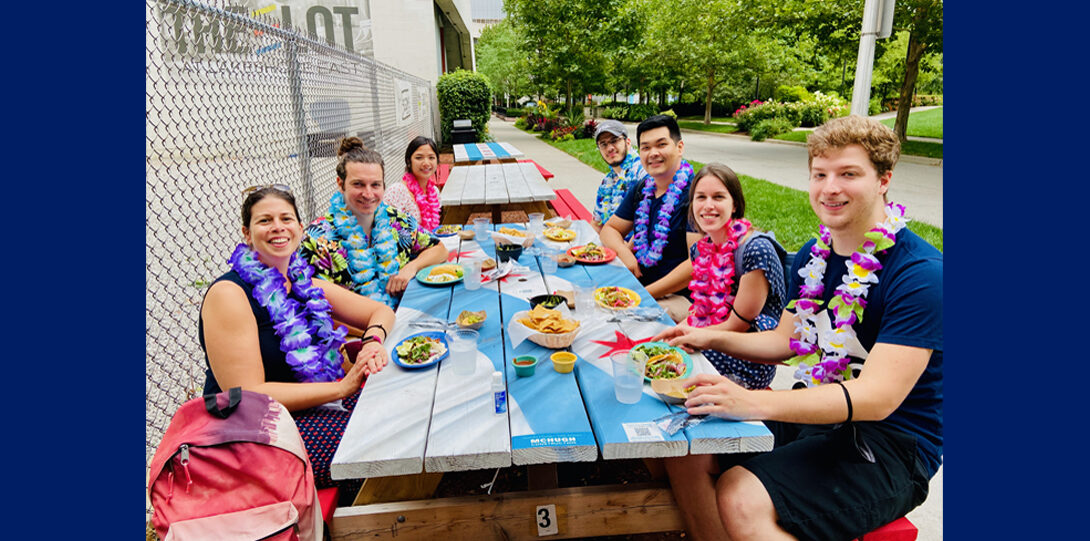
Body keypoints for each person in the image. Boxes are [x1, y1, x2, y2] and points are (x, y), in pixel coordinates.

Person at [653, 115, 942, 541]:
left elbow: (877, 398)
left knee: (740, 494)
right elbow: (786, 340)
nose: (830, 188)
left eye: (849, 173)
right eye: (819, 174)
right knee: (689, 447)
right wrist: (706, 335)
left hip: (892, 444)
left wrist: (752, 402)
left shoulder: (922, 275)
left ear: (884, 179)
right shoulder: (815, 254)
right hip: (820, 416)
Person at [199, 185, 396, 489]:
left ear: (300, 228)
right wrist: (340, 389)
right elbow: (247, 394)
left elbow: (380, 312)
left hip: (314, 406)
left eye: (286, 218)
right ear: (247, 233)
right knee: (370, 445)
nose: (278, 227)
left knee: (395, 409)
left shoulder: (302, 281)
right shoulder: (229, 295)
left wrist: (372, 342)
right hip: (255, 431)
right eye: (265, 221)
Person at [299, 137, 448, 308]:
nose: (368, 194)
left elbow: (440, 249)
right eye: (358, 184)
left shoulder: (396, 221)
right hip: (356, 332)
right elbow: (317, 308)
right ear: (341, 184)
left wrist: (411, 268)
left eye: (375, 185)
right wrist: (379, 324)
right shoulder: (317, 240)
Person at [680, 162, 787, 390]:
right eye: (701, 197)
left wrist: (687, 336)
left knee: (674, 375)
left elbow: (737, 324)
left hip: (748, 360)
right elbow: (701, 310)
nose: (708, 206)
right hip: (713, 339)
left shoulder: (755, 250)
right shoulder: (701, 249)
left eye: (718, 197)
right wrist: (677, 333)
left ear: (735, 205)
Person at [600, 114, 700, 322]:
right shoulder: (643, 188)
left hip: (682, 298)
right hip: (640, 287)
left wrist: (644, 295)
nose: (653, 153)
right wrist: (624, 254)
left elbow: (696, 265)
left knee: (620, 323)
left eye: (661, 145)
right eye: (645, 147)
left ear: (679, 147)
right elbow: (610, 229)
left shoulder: (696, 194)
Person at [590, 119, 646, 232]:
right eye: (603, 144)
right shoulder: (607, 182)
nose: (609, 148)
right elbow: (596, 223)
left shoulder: (641, 173)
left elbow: (646, 225)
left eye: (614, 140)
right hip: (611, 243)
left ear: (628, 143)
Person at [384, 136, 442, 231]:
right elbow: (384, 229)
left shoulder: (434, 192)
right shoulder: (397, 191)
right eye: (419, 158)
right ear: (408, 161)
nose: (426, 163)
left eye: (431, 157)